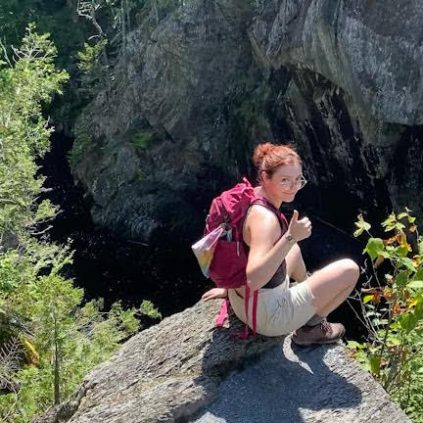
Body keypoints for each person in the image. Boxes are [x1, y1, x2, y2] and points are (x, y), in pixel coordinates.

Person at [202, 142, 359, 345]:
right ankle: (311, 329)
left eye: (298, 180)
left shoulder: (249, 196)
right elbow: (255, 279)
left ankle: (306, 288)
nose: (293, 187)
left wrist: (229, 288)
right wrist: (291, 236)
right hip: (267, 317)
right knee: (350, 269)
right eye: (285, 180)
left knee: (292, 251)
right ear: (266, 177)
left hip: (241, 300)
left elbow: (243, 249)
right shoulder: (265, 221)